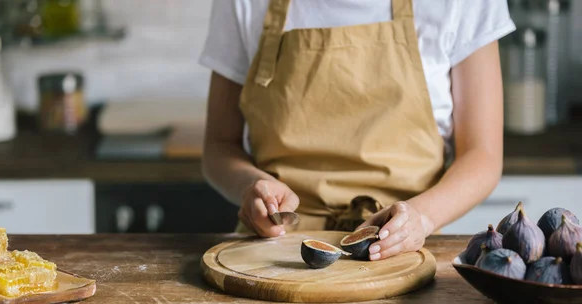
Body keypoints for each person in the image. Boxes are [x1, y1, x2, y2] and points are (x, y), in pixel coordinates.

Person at [200, 0, 514, 261]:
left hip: (408, 249)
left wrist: (422, 217)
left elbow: (482, 155)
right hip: (274, 254)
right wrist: (251, 187)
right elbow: (219, 146)